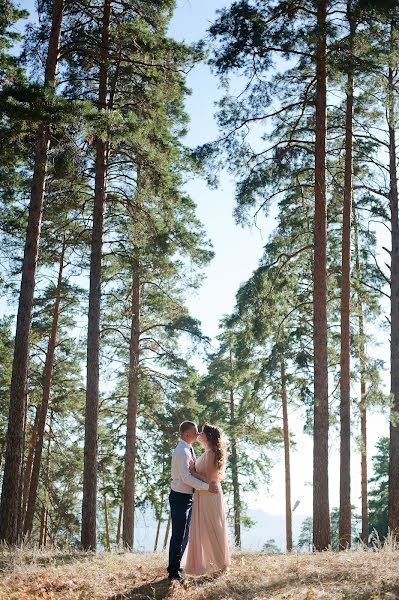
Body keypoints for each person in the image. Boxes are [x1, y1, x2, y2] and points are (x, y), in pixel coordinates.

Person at [167, 421, 219, 581]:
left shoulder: (188, 448)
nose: (198, 435)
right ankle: (173, 572)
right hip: (179, 497)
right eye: (195, 432)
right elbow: (185, 477)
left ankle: (177, 565)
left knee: (185, 534)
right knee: (178, 534)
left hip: (187, 497)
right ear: (186, 435)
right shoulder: (181, 451)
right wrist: (206, 487)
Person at [181, 423, 230, 576]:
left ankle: (219, 564)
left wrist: (192, 472)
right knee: (204, 528)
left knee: (211, 528)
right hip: (204, 494)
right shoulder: (208, 452)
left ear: (208, 437)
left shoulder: (210, 454)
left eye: (202, 432)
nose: (199, 434)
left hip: (209, 494)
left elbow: (208, 479)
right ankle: (206, 564)